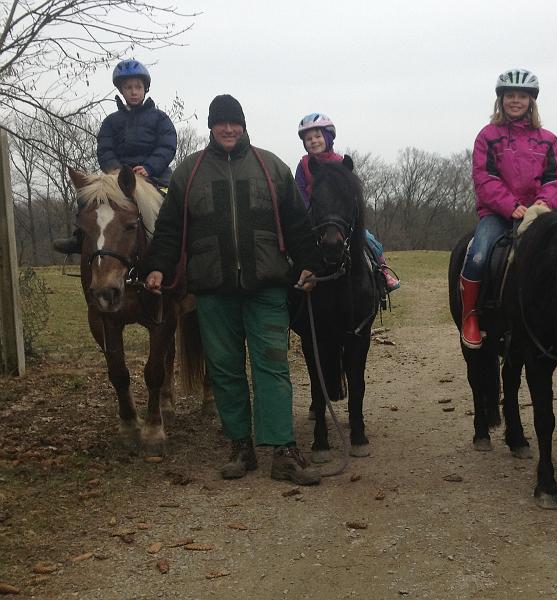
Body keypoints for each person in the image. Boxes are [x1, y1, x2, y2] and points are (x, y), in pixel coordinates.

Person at [143, 94, 323, 484]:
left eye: (234, 122)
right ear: (211, 126)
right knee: (225, 371)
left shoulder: (270, 166)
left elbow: (296, 221)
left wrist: (309, 262)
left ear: (243, 125)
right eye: (221, 122)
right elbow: (171, 227)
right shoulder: (189, 172)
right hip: (213, 290)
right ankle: (240, 447)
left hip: (267, 288)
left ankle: (283, 450)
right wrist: (157, 267)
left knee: (272, 367)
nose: (228, 128)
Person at [461, 68, 557, 348]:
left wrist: (544, 203)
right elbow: (484, 178)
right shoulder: (488, 136)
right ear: (501, 100)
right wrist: (512, 207)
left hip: (540, 212)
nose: (516, 101)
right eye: (510, 96)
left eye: (522, 96)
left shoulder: (548, 139)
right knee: (479, 255)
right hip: (498, 214)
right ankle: (470, 314)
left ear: (531, 101)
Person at [53, 59, 177, 254]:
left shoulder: (160, 118)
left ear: (145, 89)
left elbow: (167, 146)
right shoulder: (111, 122)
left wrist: (149, 167)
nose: (134, 91)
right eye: (129, 87)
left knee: (175, 202)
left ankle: (180, 243)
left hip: (155, 176)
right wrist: (116, 170)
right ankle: (80, 238)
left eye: (138, 87)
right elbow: (105, 150)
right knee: (88, 195)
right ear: (121, 90)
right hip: (118, 178)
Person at [295, 112, 400, 291]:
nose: (313, 141)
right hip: (314, 216)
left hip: (340, 218)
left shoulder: (341, 162)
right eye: (308, 139)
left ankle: (381, 271)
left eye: (317, 136)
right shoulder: (304, 165)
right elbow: (299, 191)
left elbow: (350, 193)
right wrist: (306, 211)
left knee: (369, 240)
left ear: (328, 137)